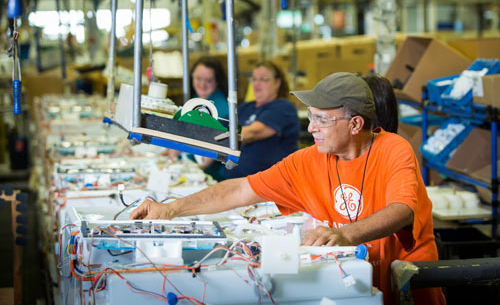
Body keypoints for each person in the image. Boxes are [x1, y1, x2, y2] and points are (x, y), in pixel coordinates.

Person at [131, 72, 445, 305]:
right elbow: (240, 190)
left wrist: (345, 234)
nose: (311, 128)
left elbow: (403, 210)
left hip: (407, 287)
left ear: (355, 125)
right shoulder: (307, 161)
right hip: (356, 285)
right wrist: (169, 208)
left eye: (322, 120)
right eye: (311, 117)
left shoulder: (393, 149)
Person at [226, 61, 300, 178]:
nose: (257, 84)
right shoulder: (245, 108)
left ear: (277, 82)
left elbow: (252, 133)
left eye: (263, 79)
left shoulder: (283, 107)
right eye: (254, 79)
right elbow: (218, 126)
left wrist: (220, 135)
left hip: (271, 187)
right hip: (238, 182)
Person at [170, 56, 229, 181]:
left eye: (208, 80)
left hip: (208, 177)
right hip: (186, 168)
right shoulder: (195, 100)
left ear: (217, 81)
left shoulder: (223, 110)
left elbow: (206, 160)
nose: (202, 84)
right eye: (198, 78)